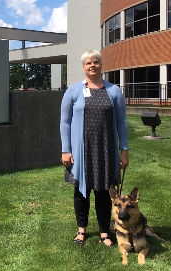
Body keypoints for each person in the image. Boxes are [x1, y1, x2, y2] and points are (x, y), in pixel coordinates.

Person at [60, 50, 129, 247]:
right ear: (83, 67)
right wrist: (66, 150)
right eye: (88, 63)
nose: (92, 65)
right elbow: (64, 122)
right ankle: (81, 230)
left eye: (96, 62)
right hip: (80, 151)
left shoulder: (113, 91)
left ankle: (104, 232)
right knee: (81, 192)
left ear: (101, 65)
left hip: (106, 150)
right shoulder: (73, 91)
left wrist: (124, 150)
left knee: (103, 192)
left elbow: (122, 123)